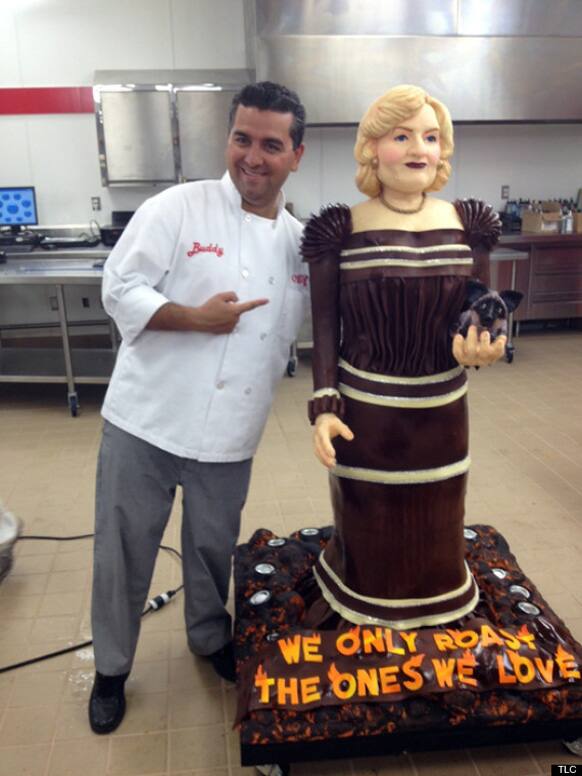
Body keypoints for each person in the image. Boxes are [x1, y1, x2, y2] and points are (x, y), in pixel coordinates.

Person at [89, 81, 307, 734]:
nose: (252, 156)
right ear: (229, 139)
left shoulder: (300, 247)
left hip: (231, 435)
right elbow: (118, 285)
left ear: (296, 154)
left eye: (271, 144)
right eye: (242, 138)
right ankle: (110, 668)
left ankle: (210, 637)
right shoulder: (177, 209)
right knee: (124, 550)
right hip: (146, 420)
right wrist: (193, 318)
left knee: (212, 549)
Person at [301, 84, 505, 630]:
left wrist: (486, 340)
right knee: (369, 518)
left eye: (431, 136)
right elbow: (324, 326)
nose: (419, 147)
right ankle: (362, 597)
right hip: (368, 413)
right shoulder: (339, 230)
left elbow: (478, 309)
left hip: (443, 411)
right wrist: (325, 404)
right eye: (401, 135)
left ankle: (438, 598)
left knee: (440, 514)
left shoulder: (467, 222)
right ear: (371, 148)